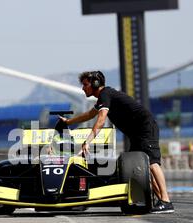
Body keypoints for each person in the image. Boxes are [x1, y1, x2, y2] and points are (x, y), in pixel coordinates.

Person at [60, 71, 174, 214]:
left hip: (145, 128)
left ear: (95, 83)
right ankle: (161, 201)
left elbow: (101, 120)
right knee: (141, 166)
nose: (83, 88)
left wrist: (87, 141)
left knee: (152, 163)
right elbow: (89, 115)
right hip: (136, 134)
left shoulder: (105, 94)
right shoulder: (104, 98)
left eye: (85, 85)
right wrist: (69, 122)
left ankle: (166, 201)